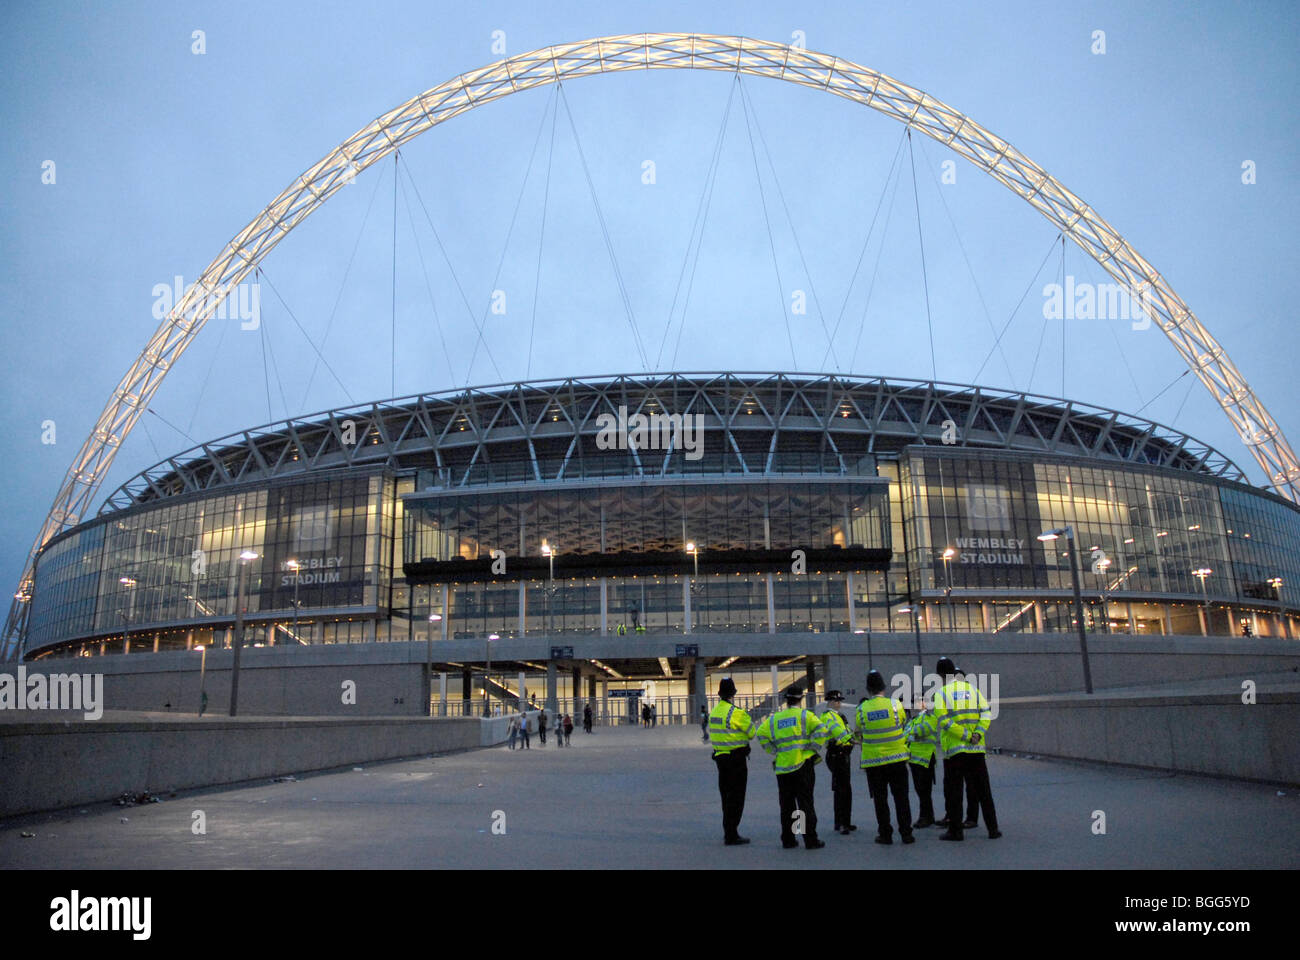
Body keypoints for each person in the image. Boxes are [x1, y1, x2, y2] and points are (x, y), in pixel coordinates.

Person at [756, 686, 832, 850]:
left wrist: (773, 750)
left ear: (786, 700)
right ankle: (810, 839)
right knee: (805, 804)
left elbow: (760, 733)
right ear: (801, 698)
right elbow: (822, 729)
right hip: (802, 764)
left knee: (787, 805)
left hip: (783, 767)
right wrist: (813, 747)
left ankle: (789, 839)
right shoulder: (806, 716)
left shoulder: (774, 719)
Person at [932, 657, 1000, 841]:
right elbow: (986, 713)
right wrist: (977, 733)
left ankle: (956, 831)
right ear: (954, 671)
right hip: (976, 750)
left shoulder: (941, 694)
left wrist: (965, 736)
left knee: (955, 792)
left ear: (940, 675)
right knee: (984, 791)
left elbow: (944, 721)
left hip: (956, 751)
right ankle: (993, 829)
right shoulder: (973, 689)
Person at [855, 669, 914, 845]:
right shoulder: (896, 705)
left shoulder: (862, 709)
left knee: (880, 800)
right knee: (901, 797)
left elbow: (858, 732)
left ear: (868, 689)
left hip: (874, 762)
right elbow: (904, 725)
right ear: (883, 687)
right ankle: (906, 834)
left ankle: (885, 834)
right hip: (897, 759)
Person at [707, 677, 757, 846]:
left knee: (726, 796)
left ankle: (728, 830)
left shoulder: (714, 712)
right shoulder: (737, 713)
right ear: (733, 694)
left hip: (720, 758)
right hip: (736, 759)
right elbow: (751, 733)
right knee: (737, 797)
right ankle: (732, 834)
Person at [819, 691, 857, 834]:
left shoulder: (839, 715)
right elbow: (838, 732)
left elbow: (846, 730)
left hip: (843, 754)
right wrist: (852, 740)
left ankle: (844, 821)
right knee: (842, 789)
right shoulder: (827, 716)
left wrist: (853, 736)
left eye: (839, 701)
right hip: (836, 754)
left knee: (845, 788)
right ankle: (841, 823)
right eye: (836, 701)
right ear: (829, 702)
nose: (839, 703)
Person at [903, 697, 938, 828]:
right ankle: (927, 815)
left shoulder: (930, 717)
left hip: (926, 758)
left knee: (924, 790)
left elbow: (924, 730)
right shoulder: (914, 720)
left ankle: (926, 817)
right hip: (914, 759)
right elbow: (904, 734)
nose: (916, 704)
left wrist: (910, 734)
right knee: (920, 790)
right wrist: (911, 734)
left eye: (919, 701)